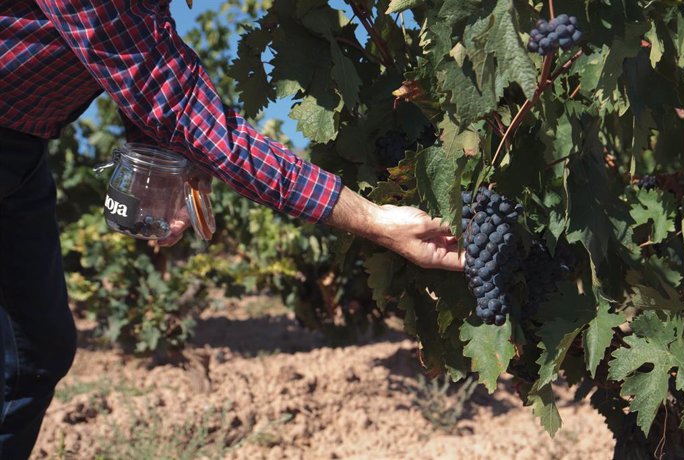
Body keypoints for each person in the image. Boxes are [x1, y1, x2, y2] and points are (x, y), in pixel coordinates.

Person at [0, 1, 464, 457]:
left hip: (20, 148)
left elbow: (138, 77)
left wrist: (165, 160)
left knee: (36, 354)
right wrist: (376, 221)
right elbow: (176, 103)